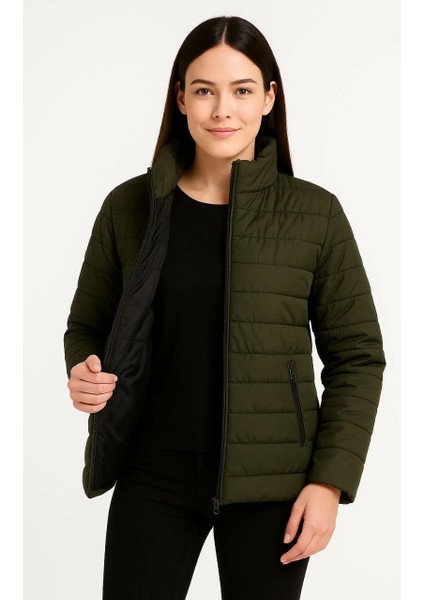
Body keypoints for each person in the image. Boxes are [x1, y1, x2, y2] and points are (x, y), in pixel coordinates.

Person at [64, 15, 386, 600]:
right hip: (152, 472)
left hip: (274, 485)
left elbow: (358, 356)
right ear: (180, 98)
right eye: (204, 90)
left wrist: (329, 483)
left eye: (241, 90)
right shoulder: (130, 207)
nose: (222, 111)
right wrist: (83, 370)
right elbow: (87, 325)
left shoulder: (315, 215)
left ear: (268, 98)